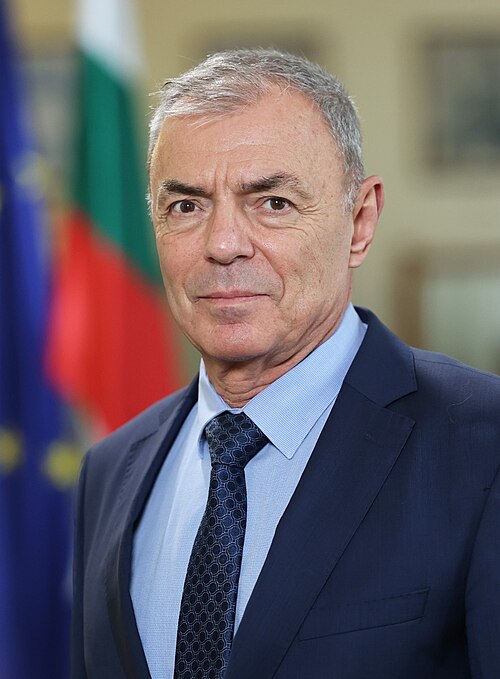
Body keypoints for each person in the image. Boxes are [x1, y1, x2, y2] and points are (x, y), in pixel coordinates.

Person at [71, 49, 500, 679]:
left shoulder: (484, 446)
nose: (222, 245)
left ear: (360, 221)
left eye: (272, 202)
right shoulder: (109, 471)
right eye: (186, 206)